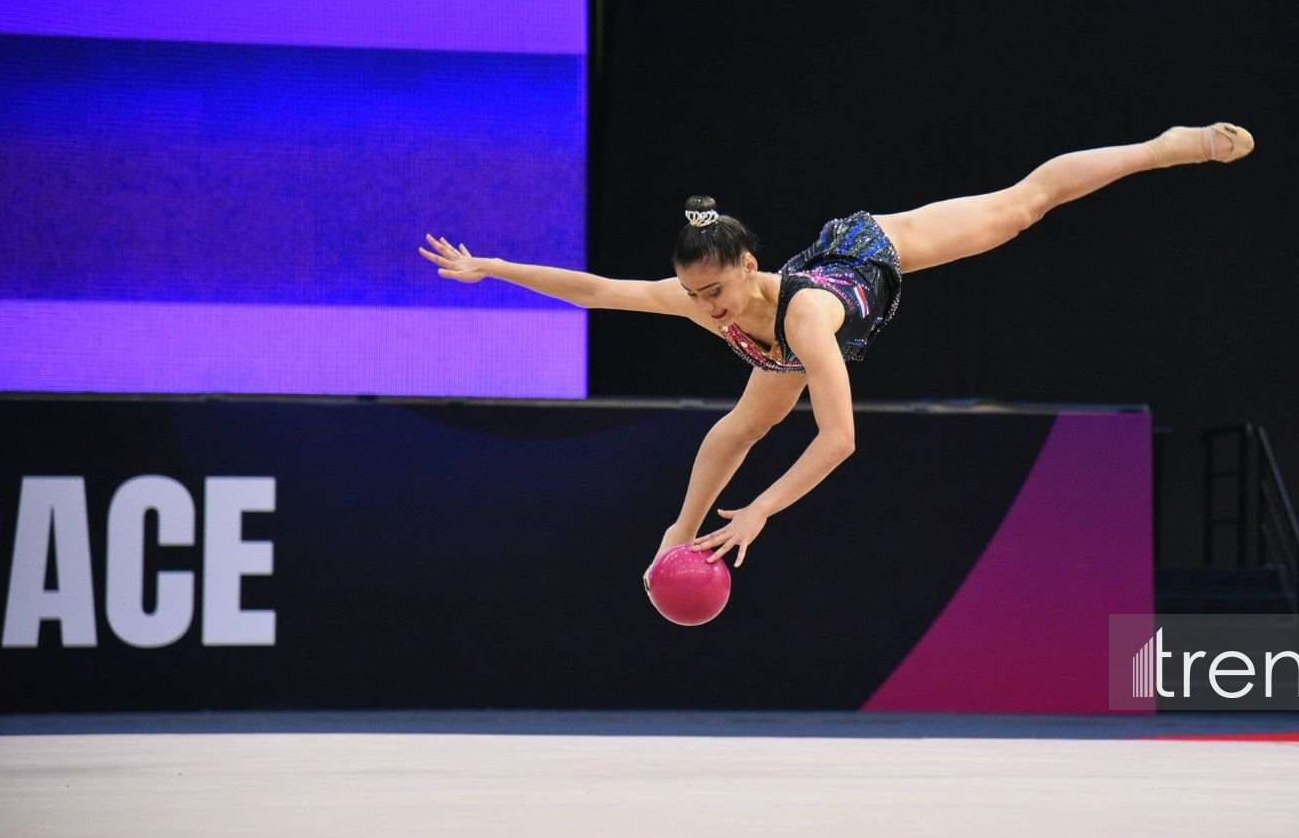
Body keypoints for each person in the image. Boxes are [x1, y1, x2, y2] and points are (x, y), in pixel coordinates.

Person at [419, 122, 1253, 568]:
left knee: (1024, 204)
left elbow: (842, 438)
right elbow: (597, 290)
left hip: (867, 259)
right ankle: (677, 531)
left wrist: (760, 514)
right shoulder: (702, 301)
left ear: (749, 267)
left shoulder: (807, 315)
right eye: (694, 295)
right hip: (780, 343)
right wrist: (490, 266)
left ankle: (1164, 147)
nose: (704, 310)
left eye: (715, 293)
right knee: (741, 426)